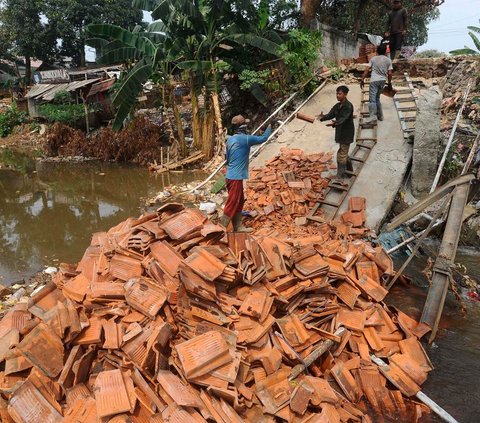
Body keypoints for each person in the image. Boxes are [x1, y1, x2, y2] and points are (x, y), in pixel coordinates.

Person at [219, 115, 272, 232]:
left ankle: (238, 227)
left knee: (239, 200)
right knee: (233, 202)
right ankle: (220, 229)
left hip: (230, 176)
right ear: (244, 127)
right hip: (236, 177)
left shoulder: (230, 140)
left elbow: (227, 158)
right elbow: (264, 138)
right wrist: (269, 126)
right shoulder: (246, 139)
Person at [318, 86, 355, 181]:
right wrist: (322, 118)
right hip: (340, 132)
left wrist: (335, 123)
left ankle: (340, 176)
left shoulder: (348, 106)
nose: (337, 96)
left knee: (341, 155)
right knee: (343, 152)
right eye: (337, 94)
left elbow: (344, 119)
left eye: (340, 94)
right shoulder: (337, 106)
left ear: (345, 94)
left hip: (347, 133)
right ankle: (350, 170)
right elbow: (330, 114)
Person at [360, 43, 393, 125]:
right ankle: (380, 116)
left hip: (374, 80)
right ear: (385, 51)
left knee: (372, 99)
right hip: (382, 81)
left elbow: (367, 69)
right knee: (377, 98)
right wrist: (389, 83)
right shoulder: (388, 60)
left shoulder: (373, 59)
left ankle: (373, 116)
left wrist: (362, 79)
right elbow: (390, 73)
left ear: (377, 51)